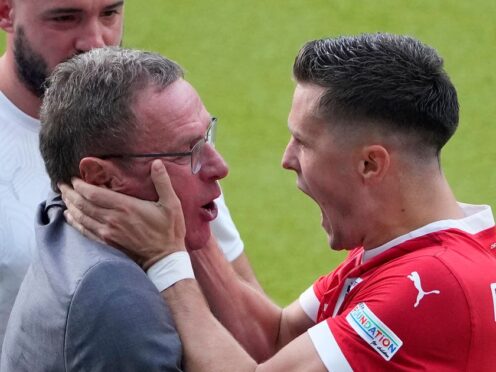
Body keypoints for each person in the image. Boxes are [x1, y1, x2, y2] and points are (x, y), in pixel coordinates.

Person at [60, 33, 496, 370]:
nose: (287, 159)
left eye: (303, 142)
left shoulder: (430, 288)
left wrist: (165, 260)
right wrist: (188, 222)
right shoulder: (423, 247)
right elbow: (275, 336)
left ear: (369, 164)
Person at [0, 0, 258, 349]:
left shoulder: (158, 127)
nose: (95, 42)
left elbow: (251, 333)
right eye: (65, 18)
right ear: (5, 12)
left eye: (110, 13)